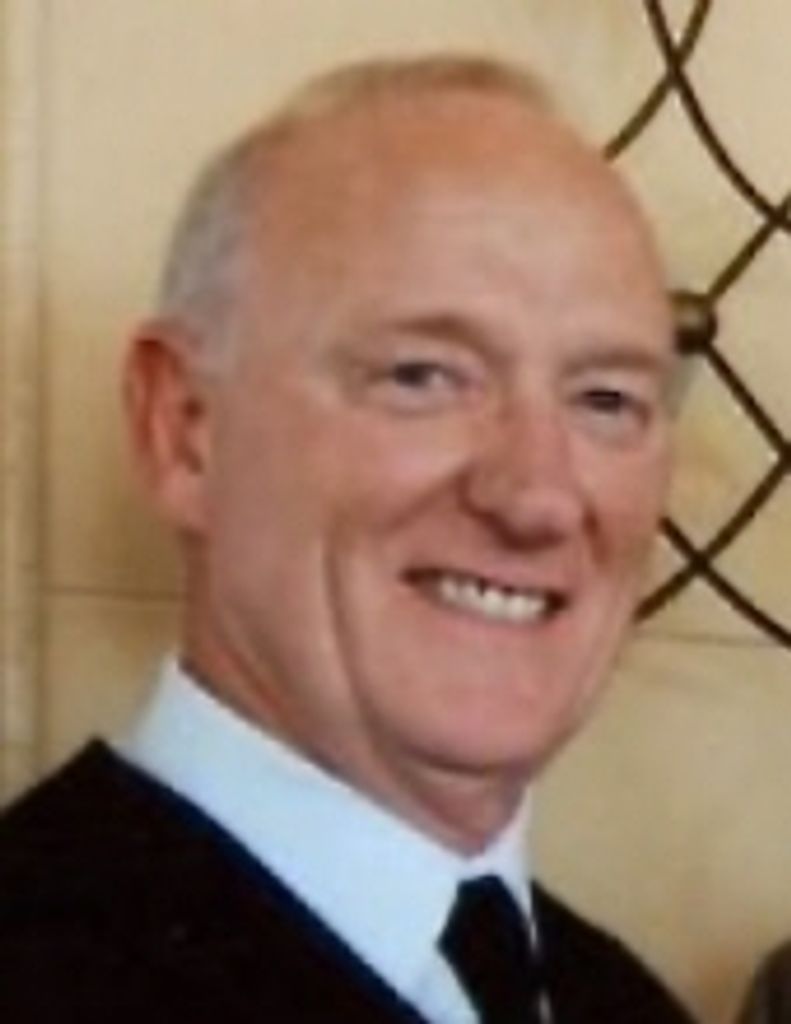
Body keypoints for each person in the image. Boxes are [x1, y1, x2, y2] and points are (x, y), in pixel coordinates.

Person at [0, 55, 695, 1022]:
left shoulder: (621, 1004)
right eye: (422, 376)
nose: (536, 496)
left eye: (606, 399)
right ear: (185, 429)